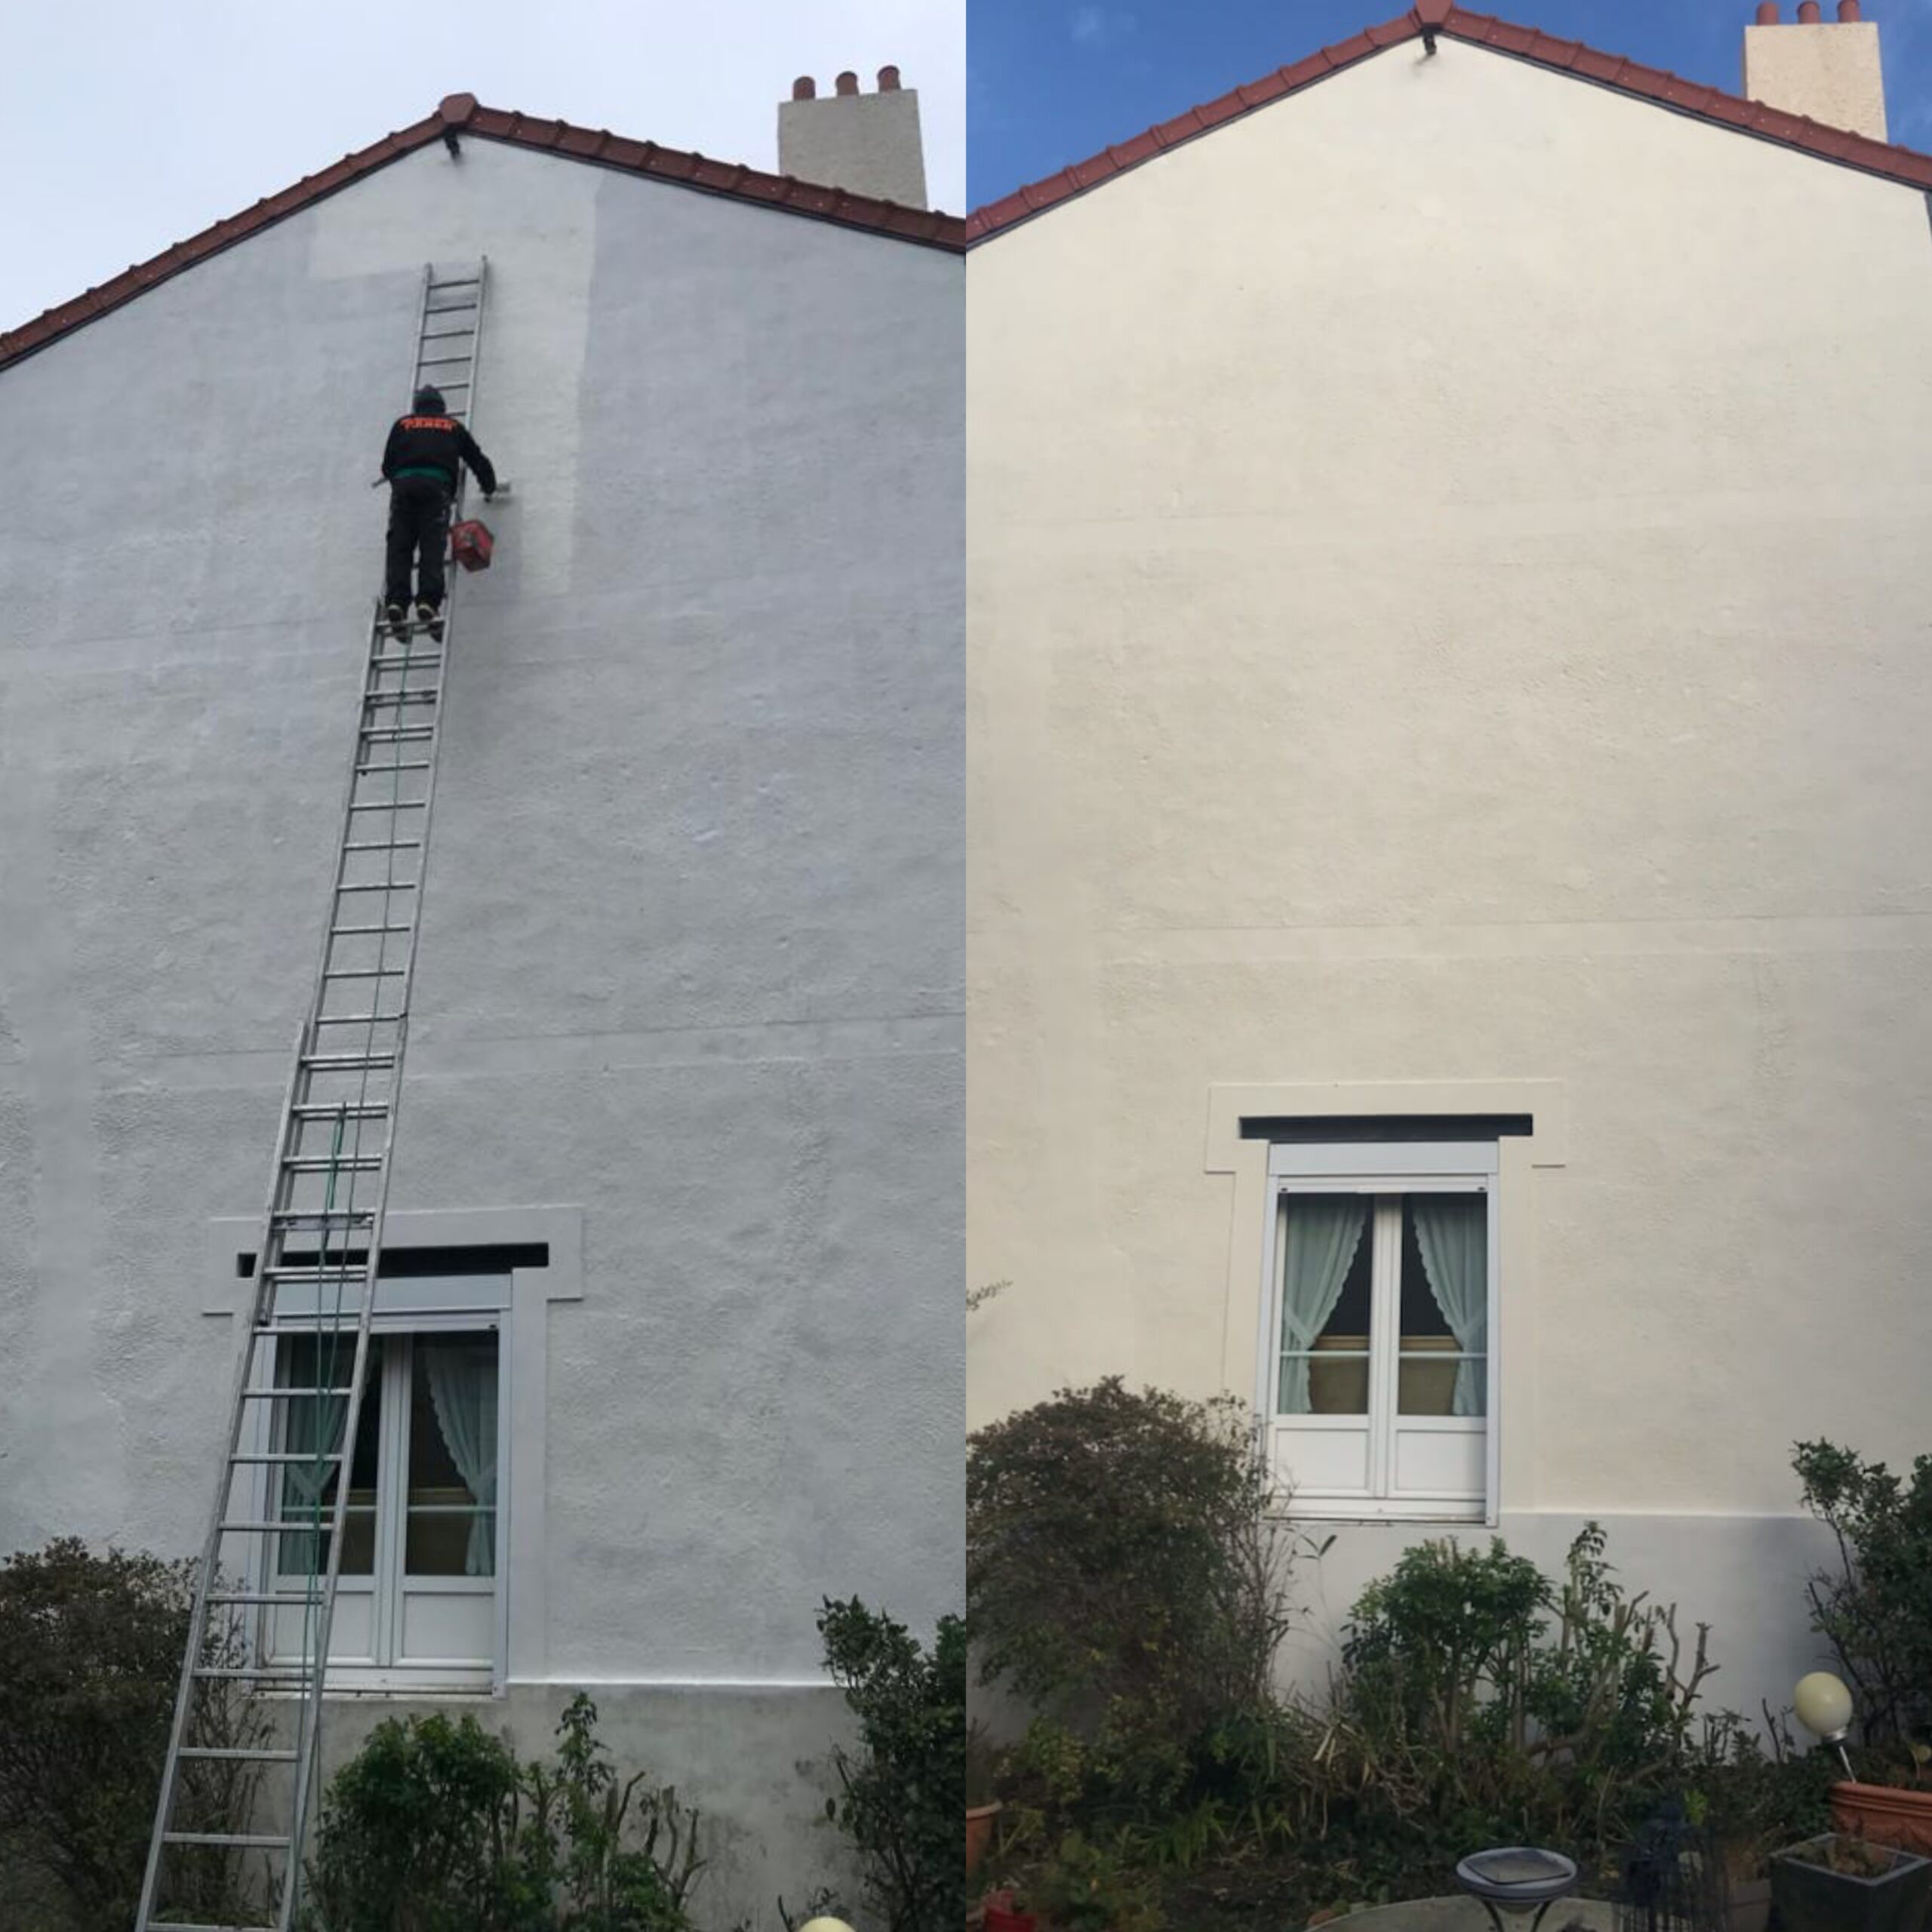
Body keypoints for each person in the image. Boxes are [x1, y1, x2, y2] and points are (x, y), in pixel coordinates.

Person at [380, 386, 497, 640]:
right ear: (440, 407)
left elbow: (387, 465)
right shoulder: (451, 426)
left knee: (400, 545)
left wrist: (401, 480)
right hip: (436, 488)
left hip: (404, 487)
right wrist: (489, 487)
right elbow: (477, 459)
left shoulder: (402, 424)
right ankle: (427, 603)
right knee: (432, 545)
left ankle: (397, 603)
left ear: (418, 406)